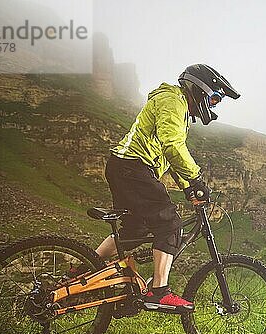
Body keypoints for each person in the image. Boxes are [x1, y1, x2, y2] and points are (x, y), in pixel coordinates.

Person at [94, 64, 240, 313]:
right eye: (215, 99)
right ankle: (159, 292)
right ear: (201, 89)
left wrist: (187, 188)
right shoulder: (173, 100)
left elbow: (170, 155)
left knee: (134, 229)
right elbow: (172, 146)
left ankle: (84, 267)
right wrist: (195, 179)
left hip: (125, 167)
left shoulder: (177, 107)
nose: (214, 106)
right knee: (169, 223)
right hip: (133, 168)